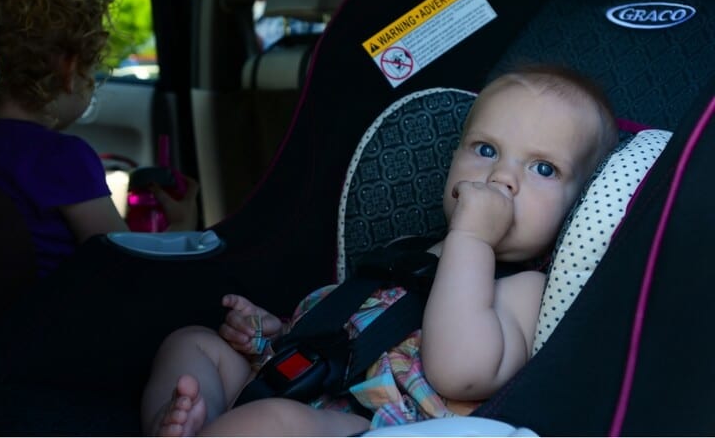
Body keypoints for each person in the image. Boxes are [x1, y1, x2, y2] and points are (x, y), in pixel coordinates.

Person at [140, 64, 620, 436]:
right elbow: (356, 325)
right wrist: (277, 333)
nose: (501, 177)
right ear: (454, 161)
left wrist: (472, 240)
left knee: (271, 423)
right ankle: (183, 419)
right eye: (486, 150)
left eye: (543, 169)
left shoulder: (530, 290)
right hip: (314, 383)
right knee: (191, 344)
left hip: (381, 424)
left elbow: (459, 372)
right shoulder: (407, 251)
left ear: (577, 205)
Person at [0, 0, 199, 276]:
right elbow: (127, 271)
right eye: (91, 67)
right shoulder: (61, 158)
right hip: (63, 326)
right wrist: (181, 227)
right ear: (69, 69)